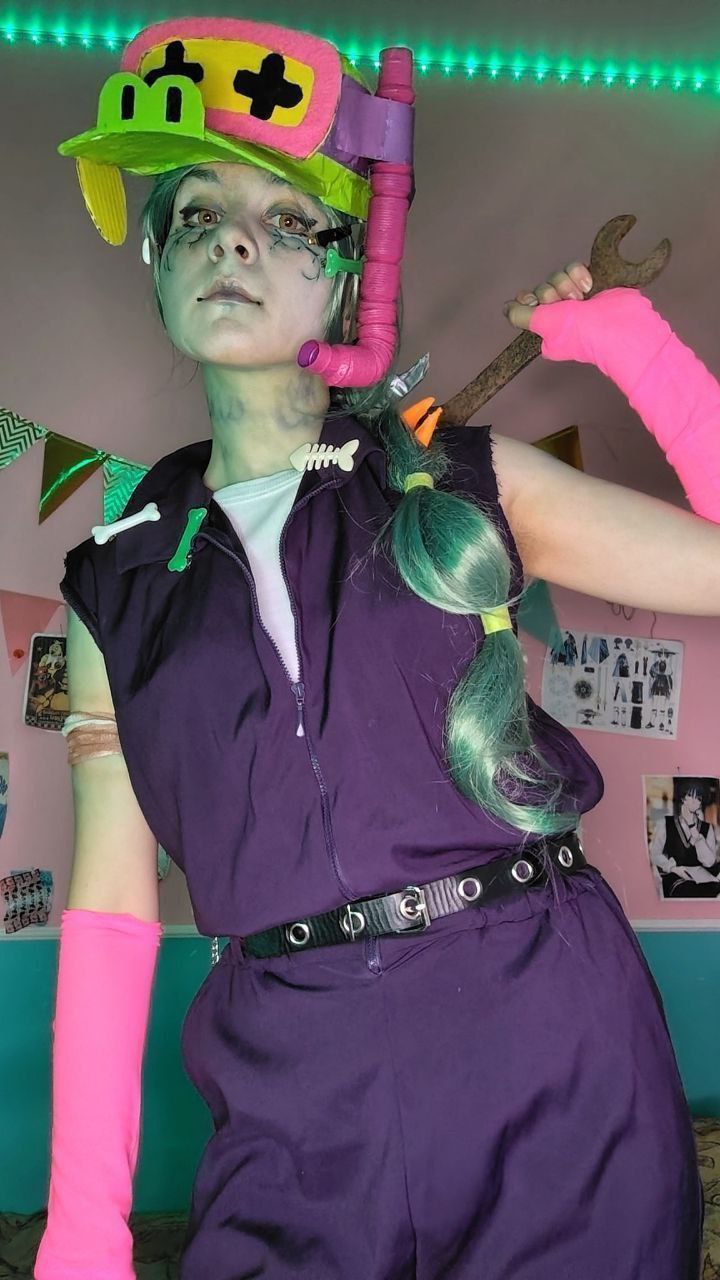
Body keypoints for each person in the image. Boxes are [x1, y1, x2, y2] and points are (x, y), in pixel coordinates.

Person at [34, 15, 720, 1280]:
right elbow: (113, 905)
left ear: (348, 272)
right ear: (157, 260)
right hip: (289, 1096)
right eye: (196, 213)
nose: (233, 240)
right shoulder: (113, 581)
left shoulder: (462, 478)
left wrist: (640, 351)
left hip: (552, 1049)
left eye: (287, 218)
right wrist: (83, 1228)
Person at [650, 777, 720, 899]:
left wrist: (693, 828)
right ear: (683, 798)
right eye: (690, 796)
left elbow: (709, 862)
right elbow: (654, 854)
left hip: (701, 878)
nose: (694, 801)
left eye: (698, 798)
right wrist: (672, 868)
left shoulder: (706, 828)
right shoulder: (667, 823)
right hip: (676, 877)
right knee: (686, 890)